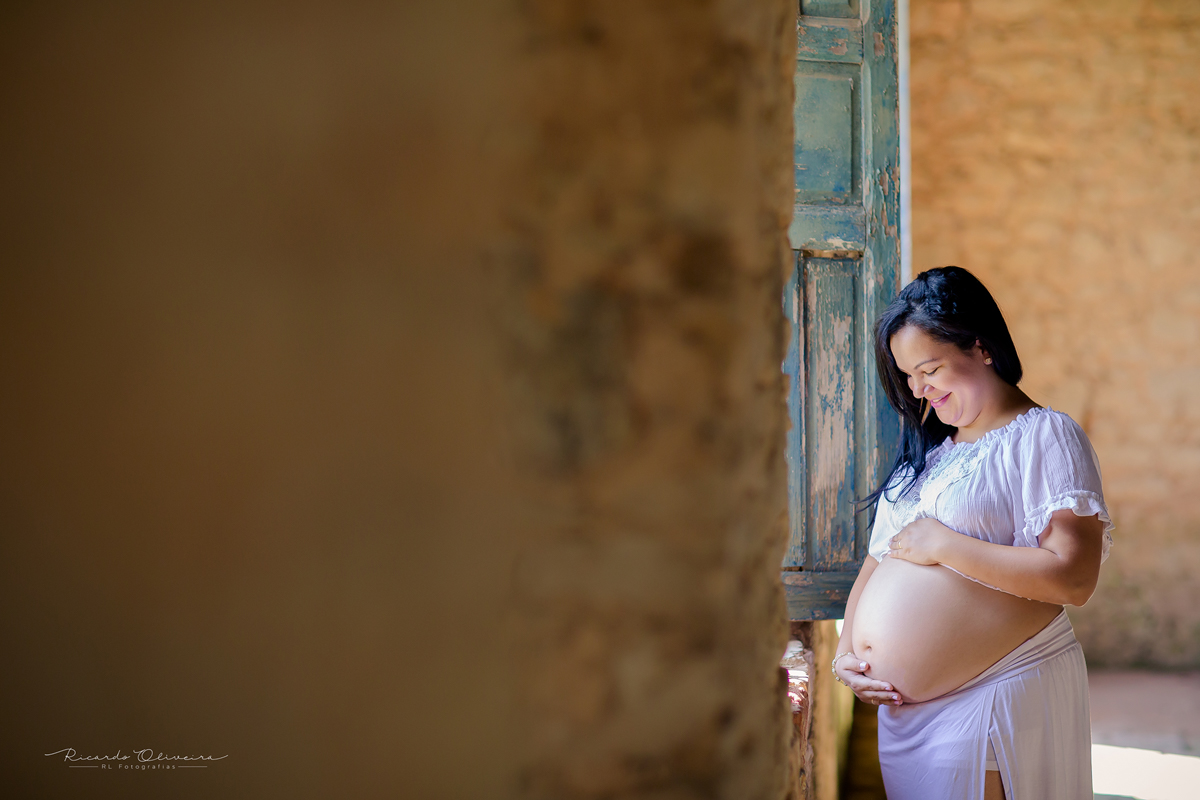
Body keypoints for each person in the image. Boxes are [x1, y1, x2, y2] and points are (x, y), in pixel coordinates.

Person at [831, 267, 1114, 800]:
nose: (919, 389)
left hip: (994, 691)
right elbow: (879, 559)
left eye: (930, 368)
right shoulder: (930, 457)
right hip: (907, 721)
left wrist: (945, 546)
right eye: (908, 375)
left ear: (980, 347)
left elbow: (1074, 578)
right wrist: (846, 654)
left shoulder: (1044, 436)